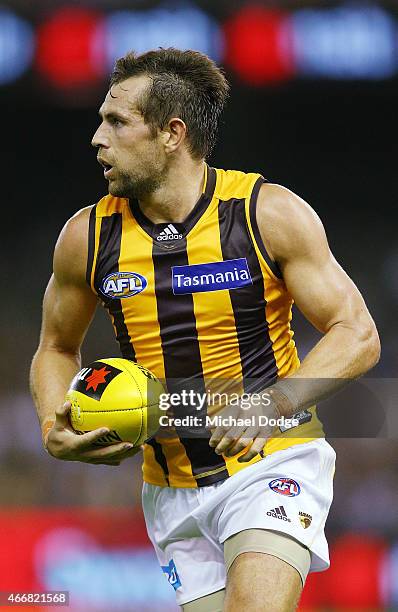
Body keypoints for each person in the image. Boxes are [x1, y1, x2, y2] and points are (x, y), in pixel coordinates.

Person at [30, 48, 380, 611]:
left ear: (173, 133)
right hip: (168, 489)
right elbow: (56, 347)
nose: (97, 138)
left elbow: (357, 333)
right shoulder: (88, 238)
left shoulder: (267, 214)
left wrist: (275, 402)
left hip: (271, 462)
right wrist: (53, 421)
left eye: (116, 122)